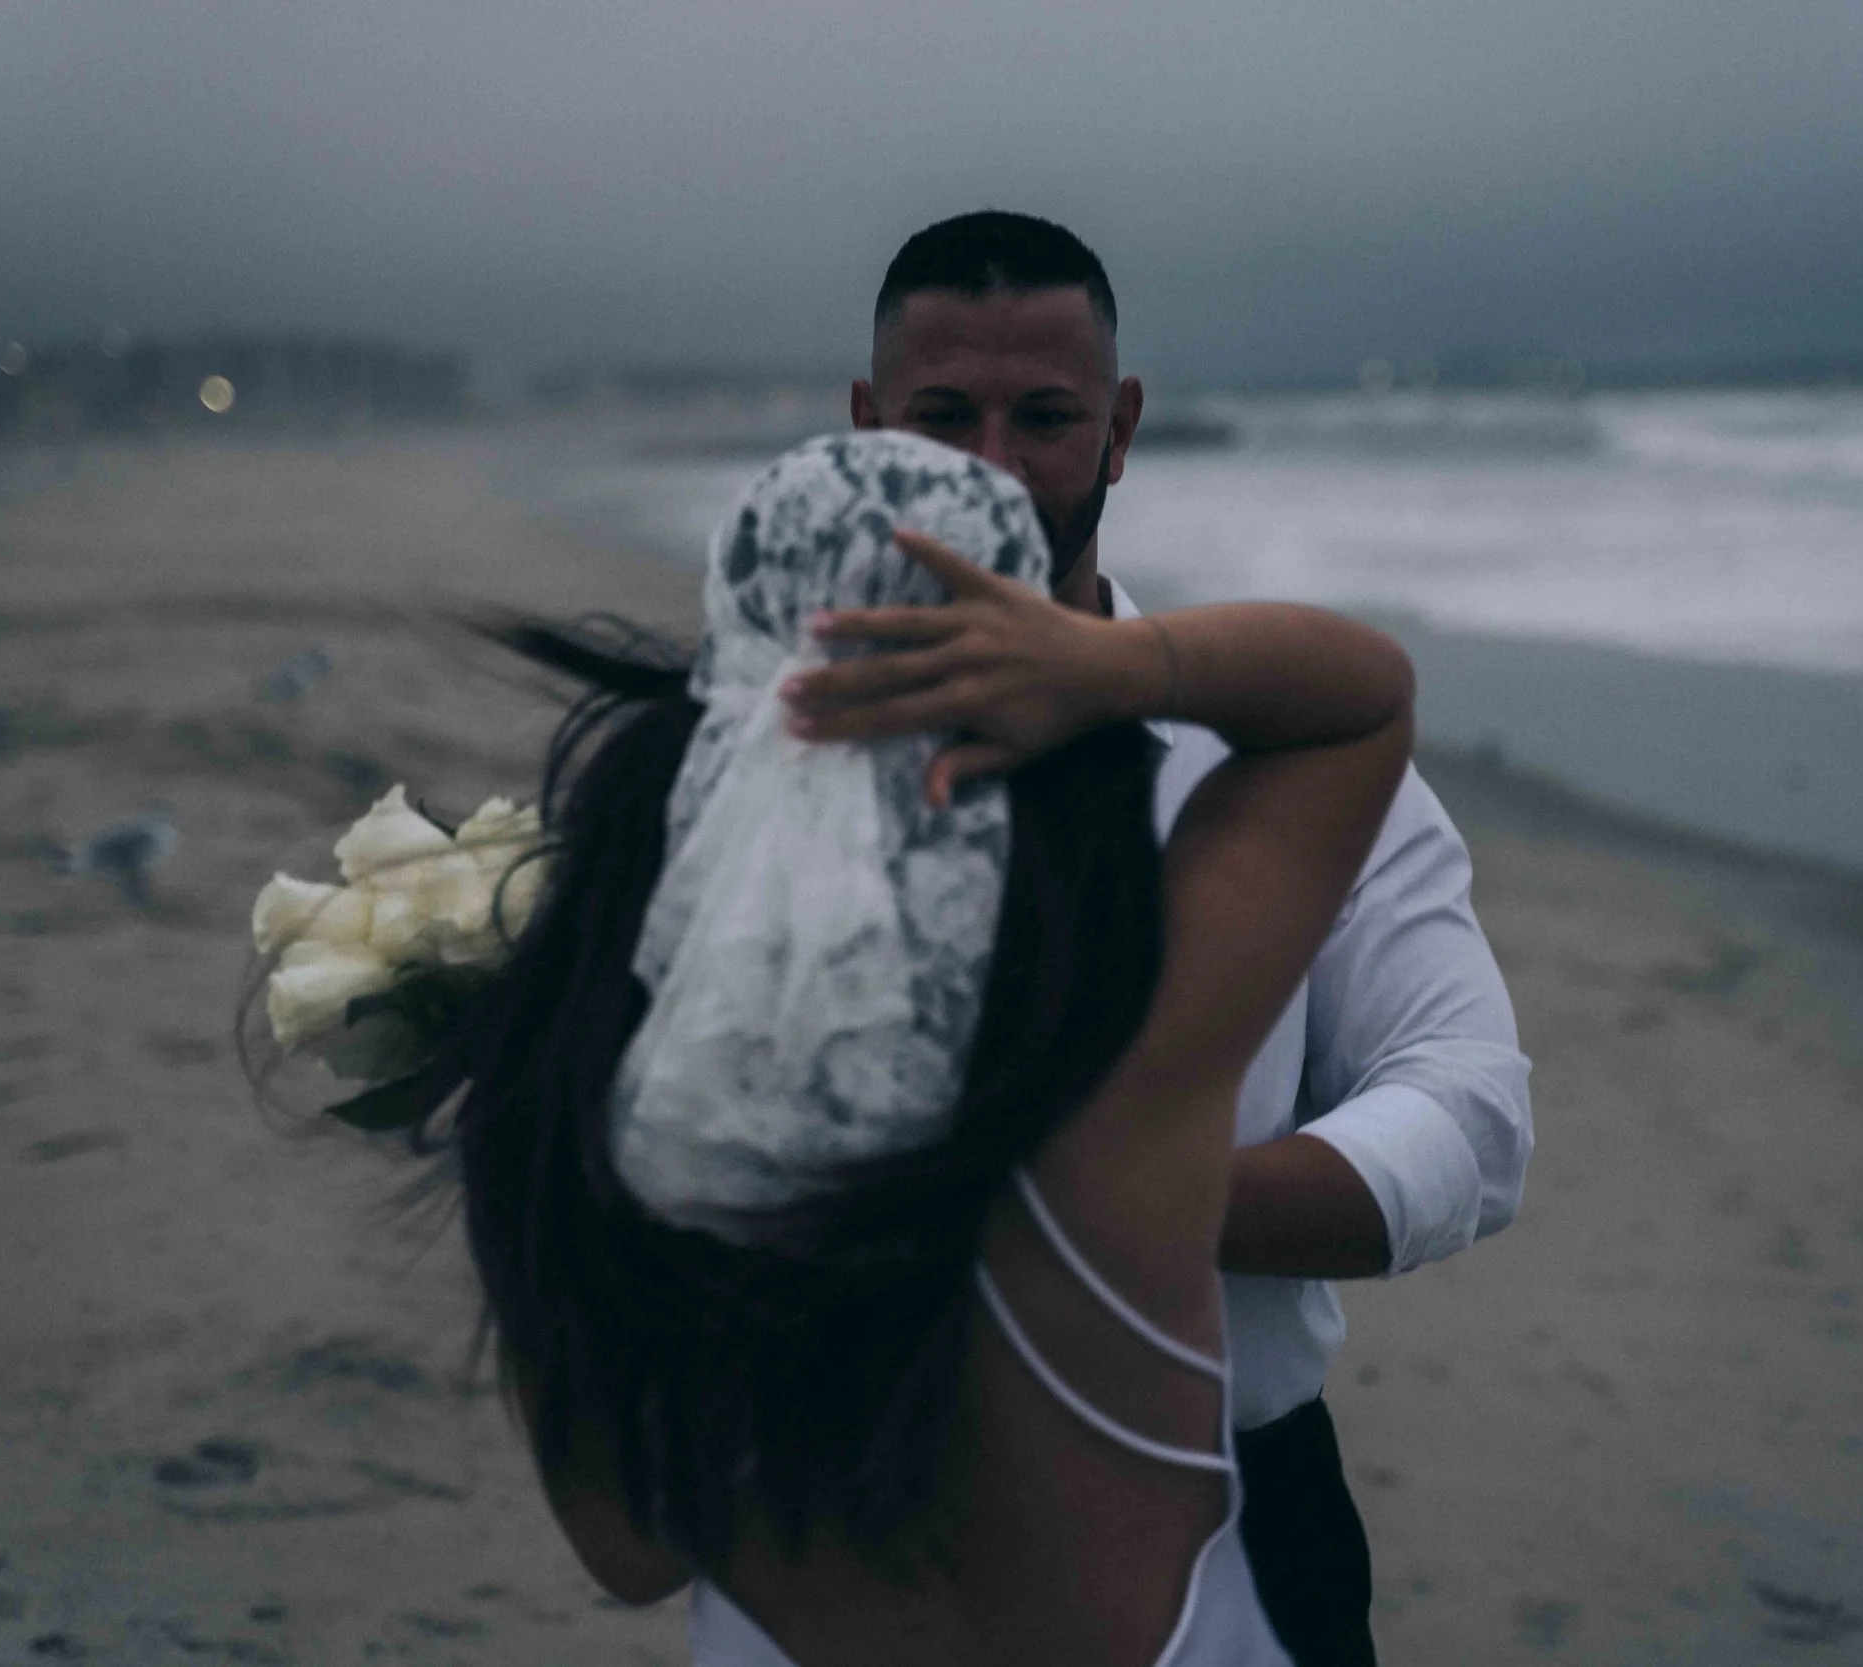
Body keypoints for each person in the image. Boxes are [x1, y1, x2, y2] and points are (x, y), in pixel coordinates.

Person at [433, 429, 1415, 1663]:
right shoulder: (1127, 1108)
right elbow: (1357, 702)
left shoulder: (590, 1161)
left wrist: (524, 1081)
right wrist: (1116, 662)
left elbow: (623, 1553)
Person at [848, 211, 1535, 1665]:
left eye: (1044, 416)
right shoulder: (757, 763)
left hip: (1238, 1500)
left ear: (1122, 427)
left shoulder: (1291, 762)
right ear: (864, 429)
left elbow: (1470, 1110)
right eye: (941, 416)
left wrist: (1124, 1203)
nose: (993, 465)